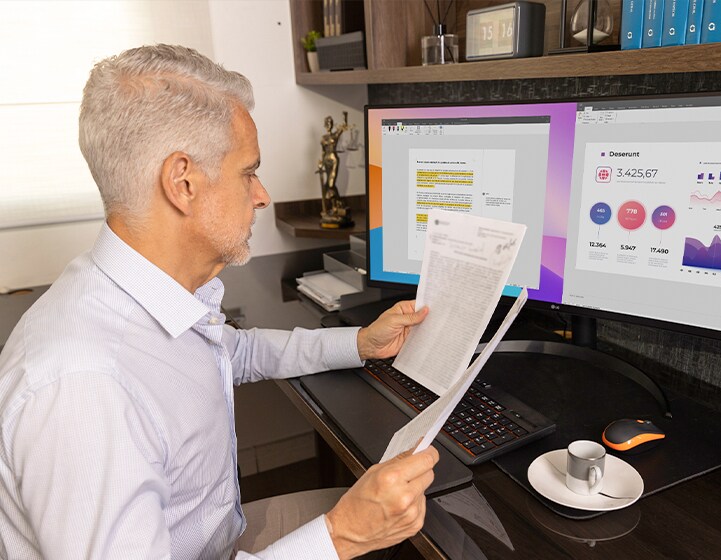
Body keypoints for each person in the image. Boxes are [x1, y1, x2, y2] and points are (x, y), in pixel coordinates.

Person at [0, 44, 437, 559]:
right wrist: (342, 536)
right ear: (182, 182)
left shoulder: (136, 290)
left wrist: (360, 342)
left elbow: (230, 352)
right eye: (248, 172)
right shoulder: (83, 391)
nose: (262, 195)